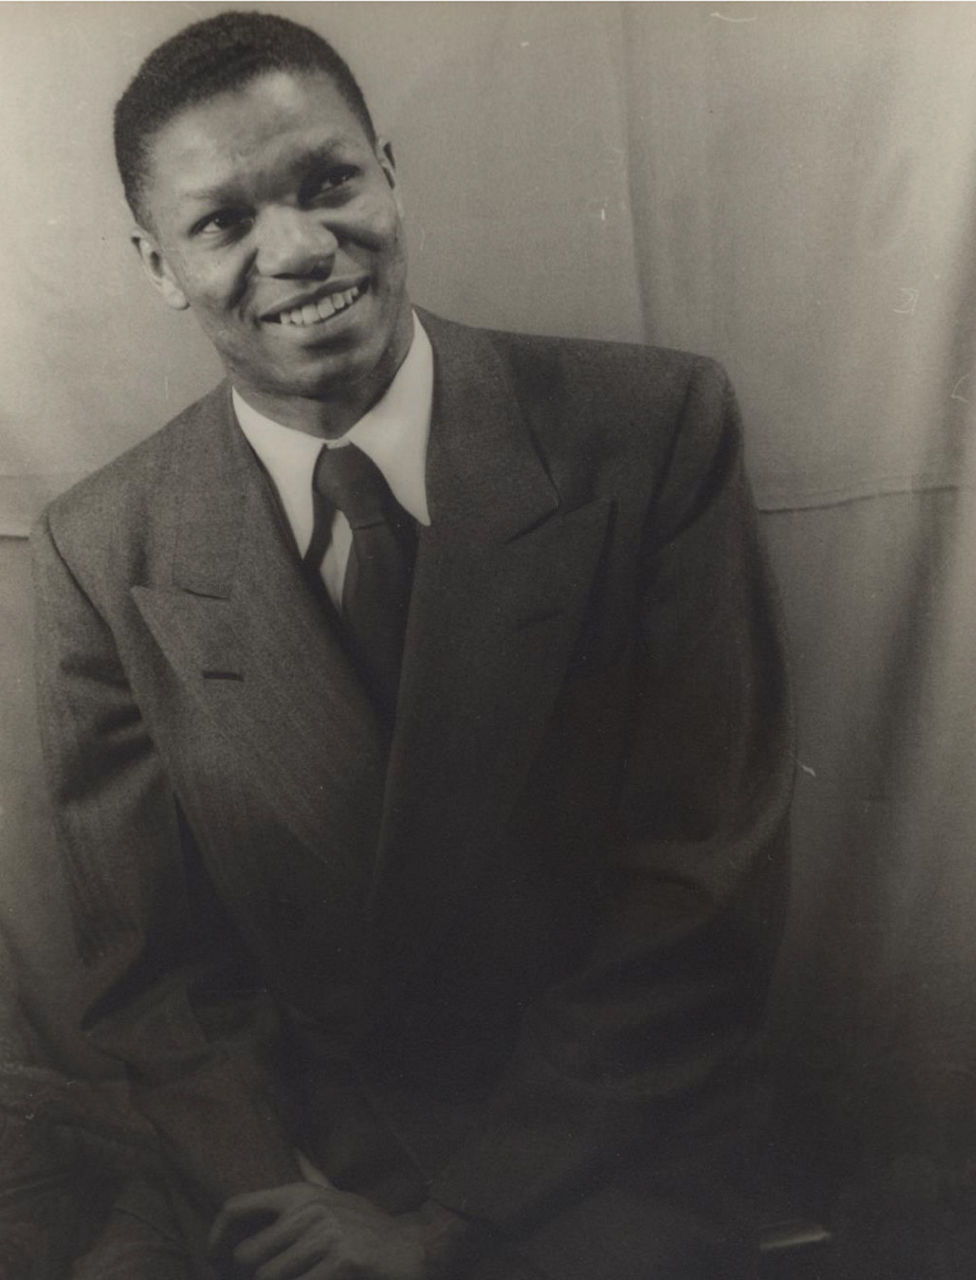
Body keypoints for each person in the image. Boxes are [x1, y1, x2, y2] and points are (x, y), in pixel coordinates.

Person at [30, 12, 793, 1279]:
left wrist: (447, 1221)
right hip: (294, 1163)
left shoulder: (651, 432)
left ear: (390, 170)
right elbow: (147, 972)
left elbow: (699, 891)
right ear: (158, 264)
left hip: (603, 1147)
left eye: (329, 182)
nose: (298, 247)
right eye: (221, 222)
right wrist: (287, 1194)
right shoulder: (100, 548)